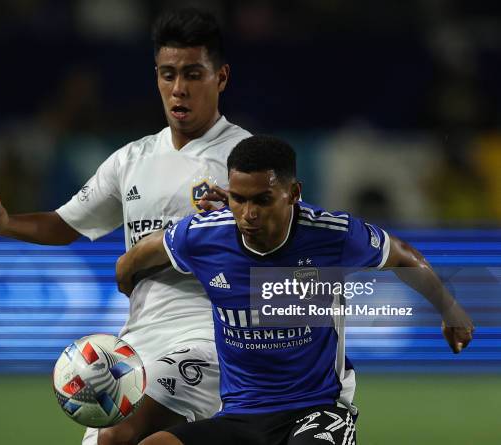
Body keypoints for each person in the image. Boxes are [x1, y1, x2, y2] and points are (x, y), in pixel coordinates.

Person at [0, 9, 251, 445]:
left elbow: (286, 241)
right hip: (137, 342)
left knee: (118, 435)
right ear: (156, 76)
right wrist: (4, 224)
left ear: (221, 77)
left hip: (212, 336)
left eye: (193, 74)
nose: (179, 89)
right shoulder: (132, 160)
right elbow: (66, 223)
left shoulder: (246, 159)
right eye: (168, 74)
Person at [115, 135, 475, 445]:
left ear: (293, 193)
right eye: (239, 198)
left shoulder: (331, 236)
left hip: (317, 411)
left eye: (262, 200)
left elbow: (403, 257)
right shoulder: (206, 236)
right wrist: (125, 274)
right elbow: (142, 254)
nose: (248, 214)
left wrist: (450, 310)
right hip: (242, 415)